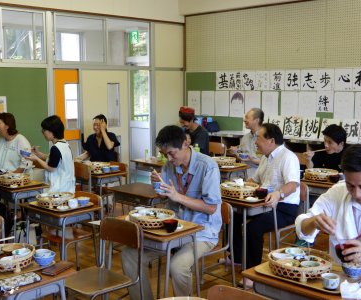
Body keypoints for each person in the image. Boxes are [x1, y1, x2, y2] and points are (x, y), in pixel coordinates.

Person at [122, 125, 222, 299]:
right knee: (129, 254)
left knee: (177, 266)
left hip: (202, 232)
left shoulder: (208, 166)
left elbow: (211, 207)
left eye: (171, 154)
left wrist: (177, 196)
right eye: (164, 154)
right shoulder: (169, 165)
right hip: (173, 230)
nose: (168, 159)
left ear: (185, 144)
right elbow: (167, 198)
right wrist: (160, 190)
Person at [234, 123, 300, 288]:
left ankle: (252, 273)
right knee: (233, 216)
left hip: (284, 208)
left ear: (271, 140)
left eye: (259, 138)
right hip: (263, 205)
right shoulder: (265, 157)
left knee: (252, 228)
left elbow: (293, 184)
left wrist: (279, 194)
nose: (256, 142)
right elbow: (254, 180)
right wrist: (240, 186)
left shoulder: (288, 157)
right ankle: (234, 257)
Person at [296, 144, 361, 274]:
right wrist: (313, 222)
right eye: (350, 185)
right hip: (338, 273)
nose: (356, 194)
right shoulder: (338, 192)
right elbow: (303, 227)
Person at [27, 115, 75, 193]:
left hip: (58, 190)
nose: (43, 133)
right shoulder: (65, 144)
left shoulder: (55, 148)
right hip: (68, 188)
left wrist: (36, 159)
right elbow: (54, 159)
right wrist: (38, 153)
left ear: (51, 131)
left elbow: (51, 168)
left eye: (44, 130)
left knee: (31, 192)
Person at [229, 108, 264, 178]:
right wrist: (235, 152)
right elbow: (240, 158)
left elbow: (270, 162)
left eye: (247, 118)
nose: (244, 120)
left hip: (258, 172)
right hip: (243, 171)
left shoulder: (265, 138)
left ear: (257, 120)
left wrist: (253, 160)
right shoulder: (245, 138)